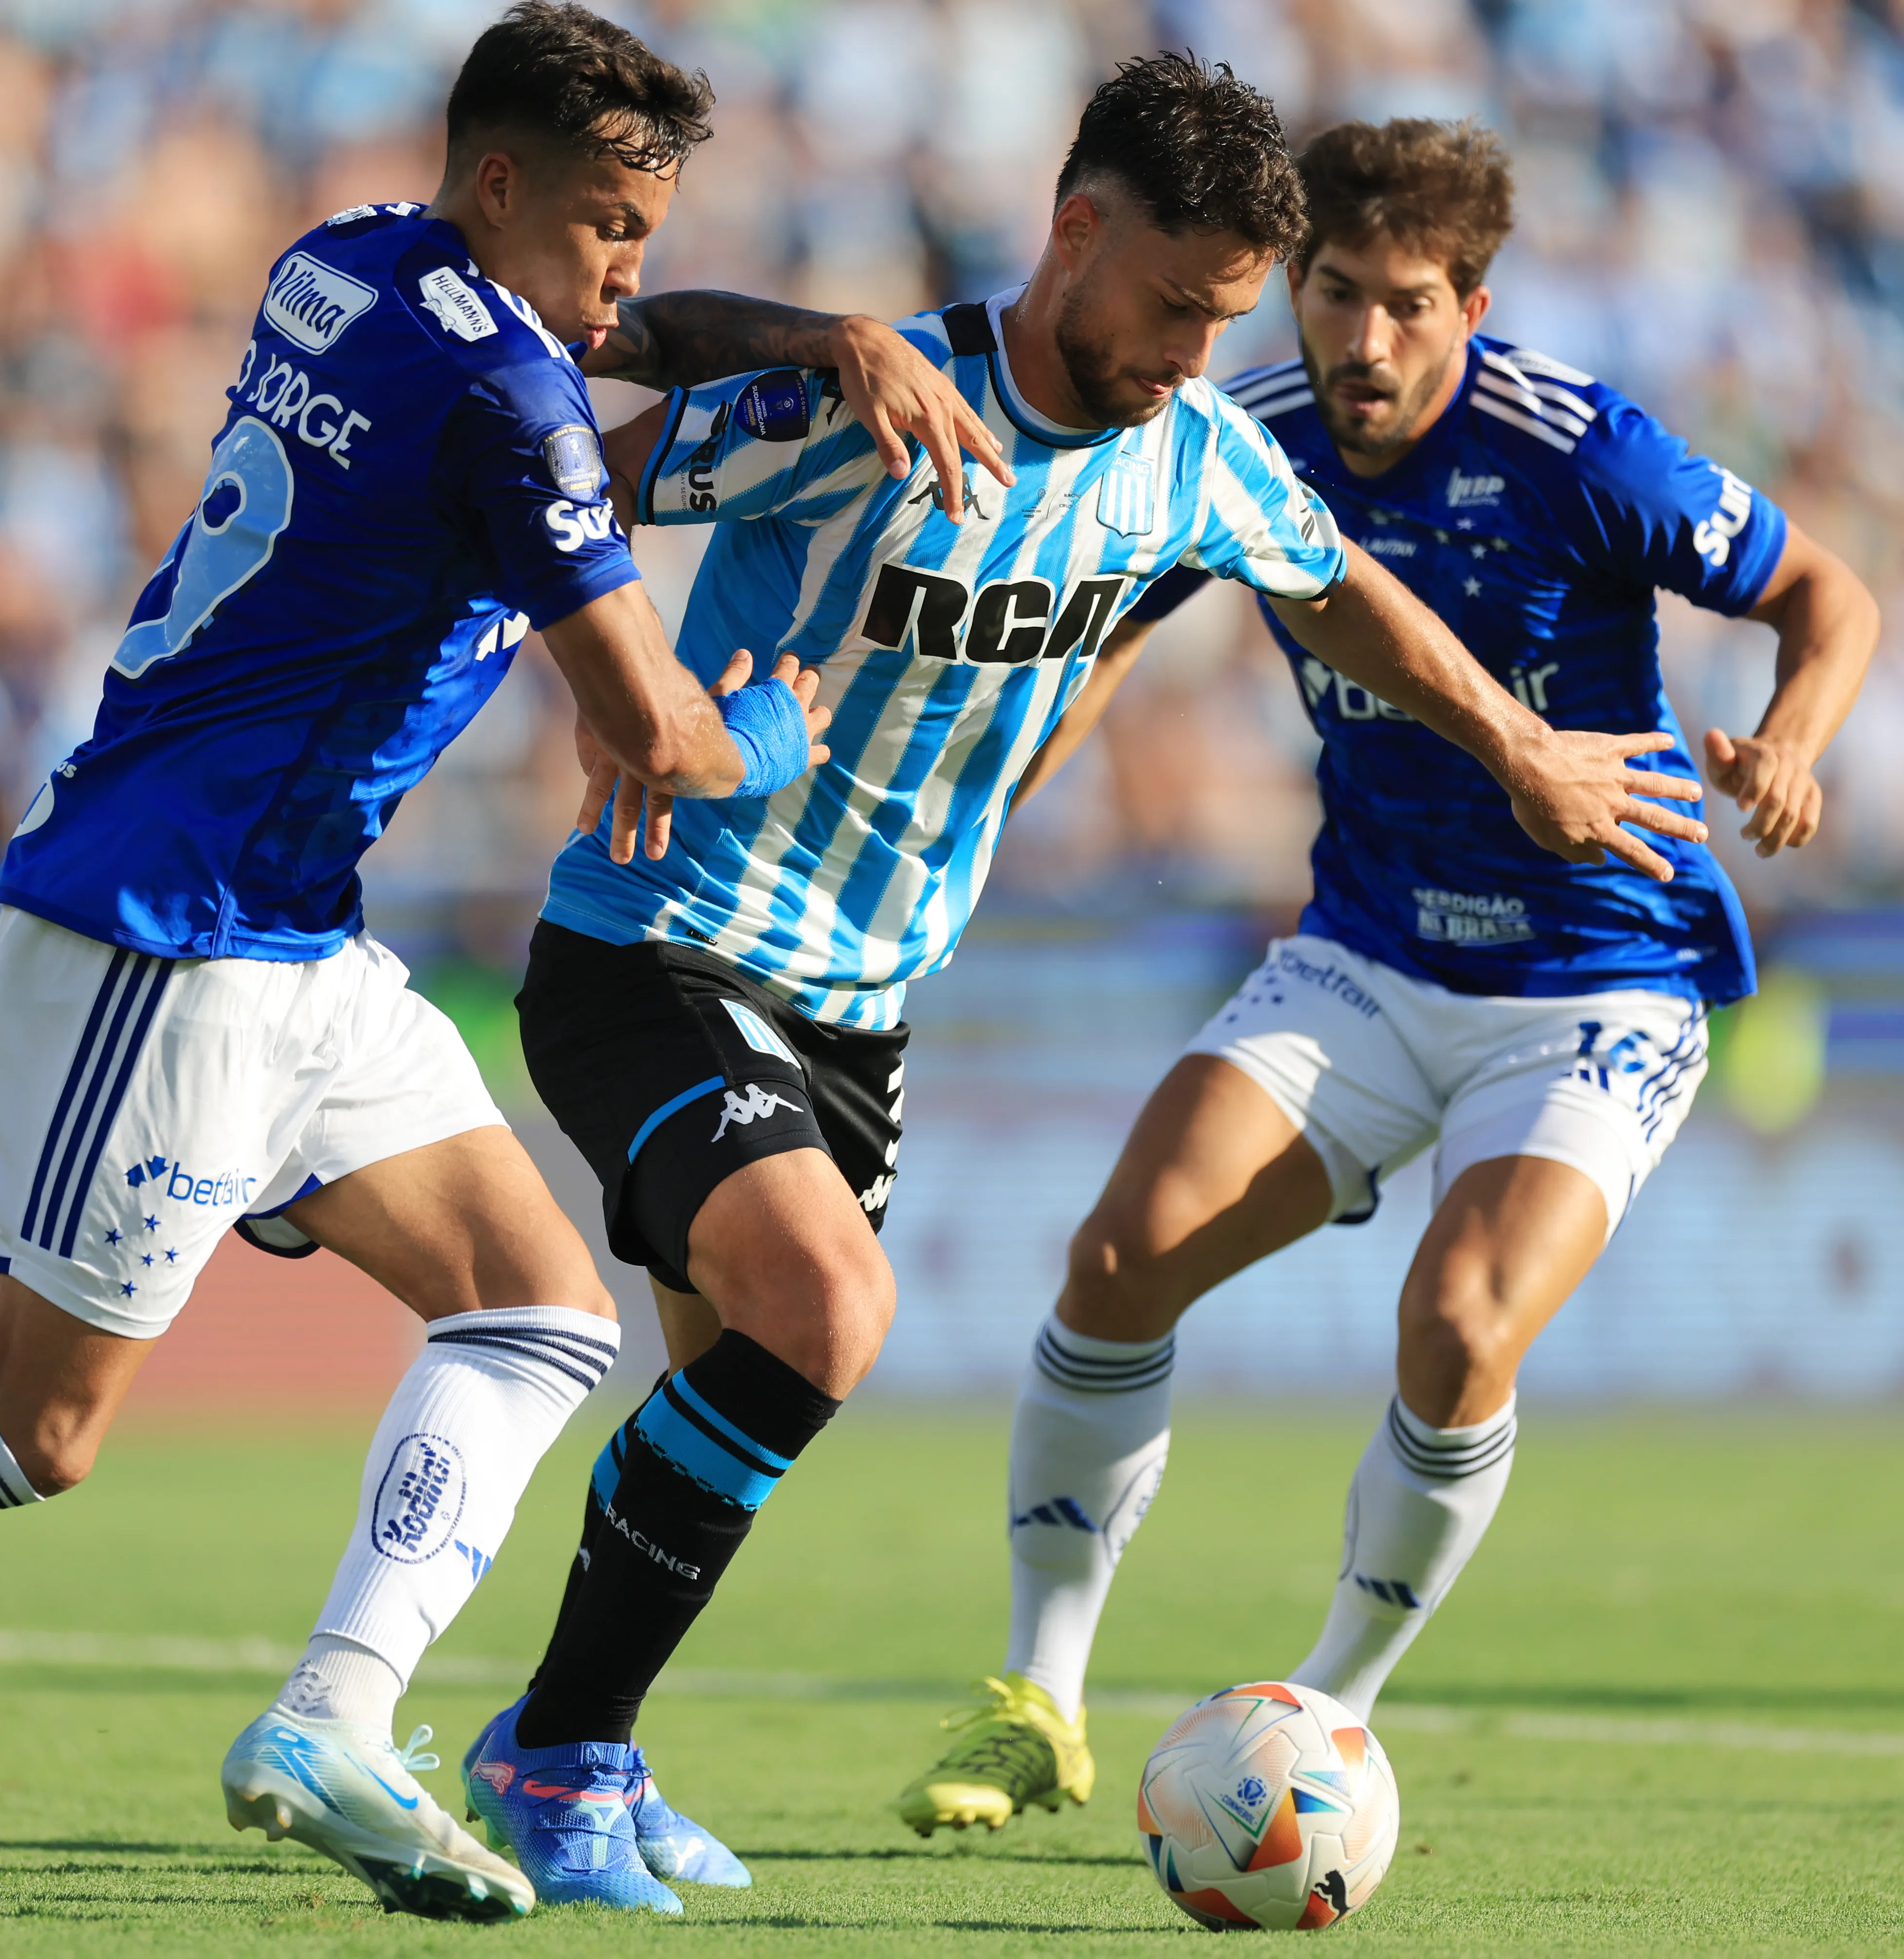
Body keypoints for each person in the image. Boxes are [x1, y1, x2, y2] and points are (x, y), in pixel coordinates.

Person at [0, 1, 1009, 1925]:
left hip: (288, 931)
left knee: (536, 1309)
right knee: (35, 1426)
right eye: (606, 223)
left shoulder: (346, 264)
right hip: (164, 939)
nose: (627, 270)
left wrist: (829, 345)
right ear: (502, 184)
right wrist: (765, 730)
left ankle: (336, 1713)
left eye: (645, 232)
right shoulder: (506, 409)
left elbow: (624, 356)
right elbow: (657, 733)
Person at [452, 61, 1712, 1914]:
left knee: (733, 1414)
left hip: (862, 1012)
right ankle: (544, 1750)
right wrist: (635, 705)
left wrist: (1523, 746)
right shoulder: (863, 400)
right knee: (828, 1309)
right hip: (661, 937)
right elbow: (568, 481)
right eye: (1181, 305)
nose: (1199, 352)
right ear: (1075, 234)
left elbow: (1340, 586)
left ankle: (593, 1742)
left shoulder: (1189, 458)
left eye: (1228, 319)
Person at [893, 116, 1879, 1837]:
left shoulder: (1584, 453)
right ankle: (1035, 1698)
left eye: (1406, 305)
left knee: (1459, 1321)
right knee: (1118, 1258)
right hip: (1363, 957)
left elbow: (1826, 592)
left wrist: (1792, 743)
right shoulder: (1236, 442)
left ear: (1471, 306)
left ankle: (1322, 1723)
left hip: (1597, 979)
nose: (1362, 342)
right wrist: (980, 825)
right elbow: (1100, 643)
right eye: (1331, 297)